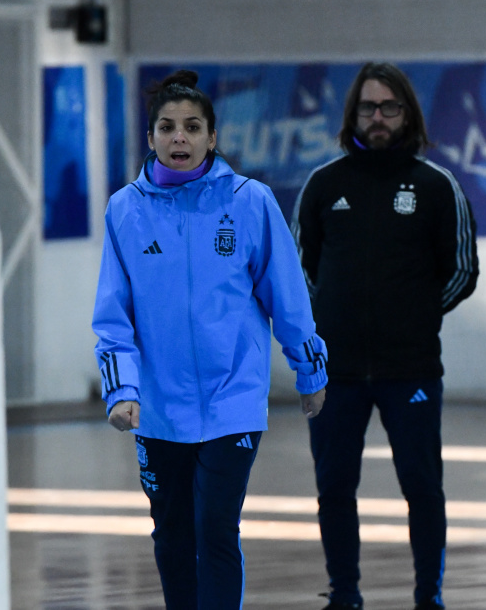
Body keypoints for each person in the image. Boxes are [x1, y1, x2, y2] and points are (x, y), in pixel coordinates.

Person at [92, 69, 328, 609]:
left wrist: (310, 369)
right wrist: (121, 390)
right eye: (168, 128)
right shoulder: (125, 210)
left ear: (212, 138)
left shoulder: (251, 202)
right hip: (157, 407)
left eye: (193, 127)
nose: (180, 138)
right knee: (173, 532)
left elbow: (287, 297)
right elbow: (113, 316)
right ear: (150, 137)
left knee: (216, 526)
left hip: (233, 401)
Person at [291, 62, 479, 610]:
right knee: (334, 490)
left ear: (408, 115)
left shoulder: (436, 185)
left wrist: (417, 316)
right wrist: (326, 323)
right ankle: (345, 595)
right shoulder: (325, 185)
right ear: (352, 114)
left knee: (422, 489)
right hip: (337, 373)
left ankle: (428, 597)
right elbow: (298, 272)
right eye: (368, 107)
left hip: (411, 369)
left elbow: (462, 271)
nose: (378, 118)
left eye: (389, 107)